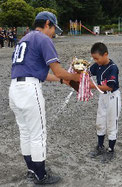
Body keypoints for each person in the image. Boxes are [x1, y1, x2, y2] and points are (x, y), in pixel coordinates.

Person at [9, 11, 79, 185]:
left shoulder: (23, 40)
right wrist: (78, 77)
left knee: (25, 132)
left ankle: (32, 169)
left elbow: (41, 73)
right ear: (47, 23)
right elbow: (58, 71)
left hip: (15, 88)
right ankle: (41, 176)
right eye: (54, 28)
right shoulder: (43, 39)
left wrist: (63, 80)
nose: (54, 33)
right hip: (29, 90)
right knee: (38, 134)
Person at [89, 42, 121, 163]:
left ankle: (111, 150)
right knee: (100, 122)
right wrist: (79, 69)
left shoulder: (113, 67)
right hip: (103, 97)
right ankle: (100, 146)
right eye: (94, 58)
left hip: (113, 97)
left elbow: (110, 87)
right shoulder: (98, 65)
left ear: (105, 54)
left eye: (97, 58)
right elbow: (88, 73)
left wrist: (92, 86)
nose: (95, 61)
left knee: (112, 123)